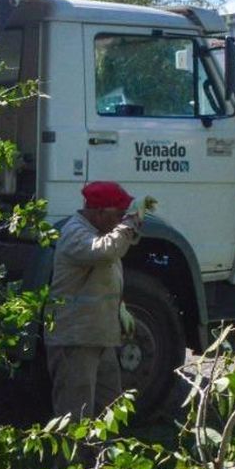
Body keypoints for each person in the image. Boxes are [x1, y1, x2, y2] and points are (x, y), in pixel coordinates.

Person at [45, 180, 142, 422]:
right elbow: (104, 251)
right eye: (118, 214)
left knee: (109, 411)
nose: (121, 219)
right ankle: (73, 461)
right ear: (99, 212)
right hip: (75, 340)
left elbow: (107, 278)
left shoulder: (100, 231)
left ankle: (102, 459)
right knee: (75, 415)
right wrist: (128, 226)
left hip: (99, 336)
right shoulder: (75, 233)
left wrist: (121, 310)